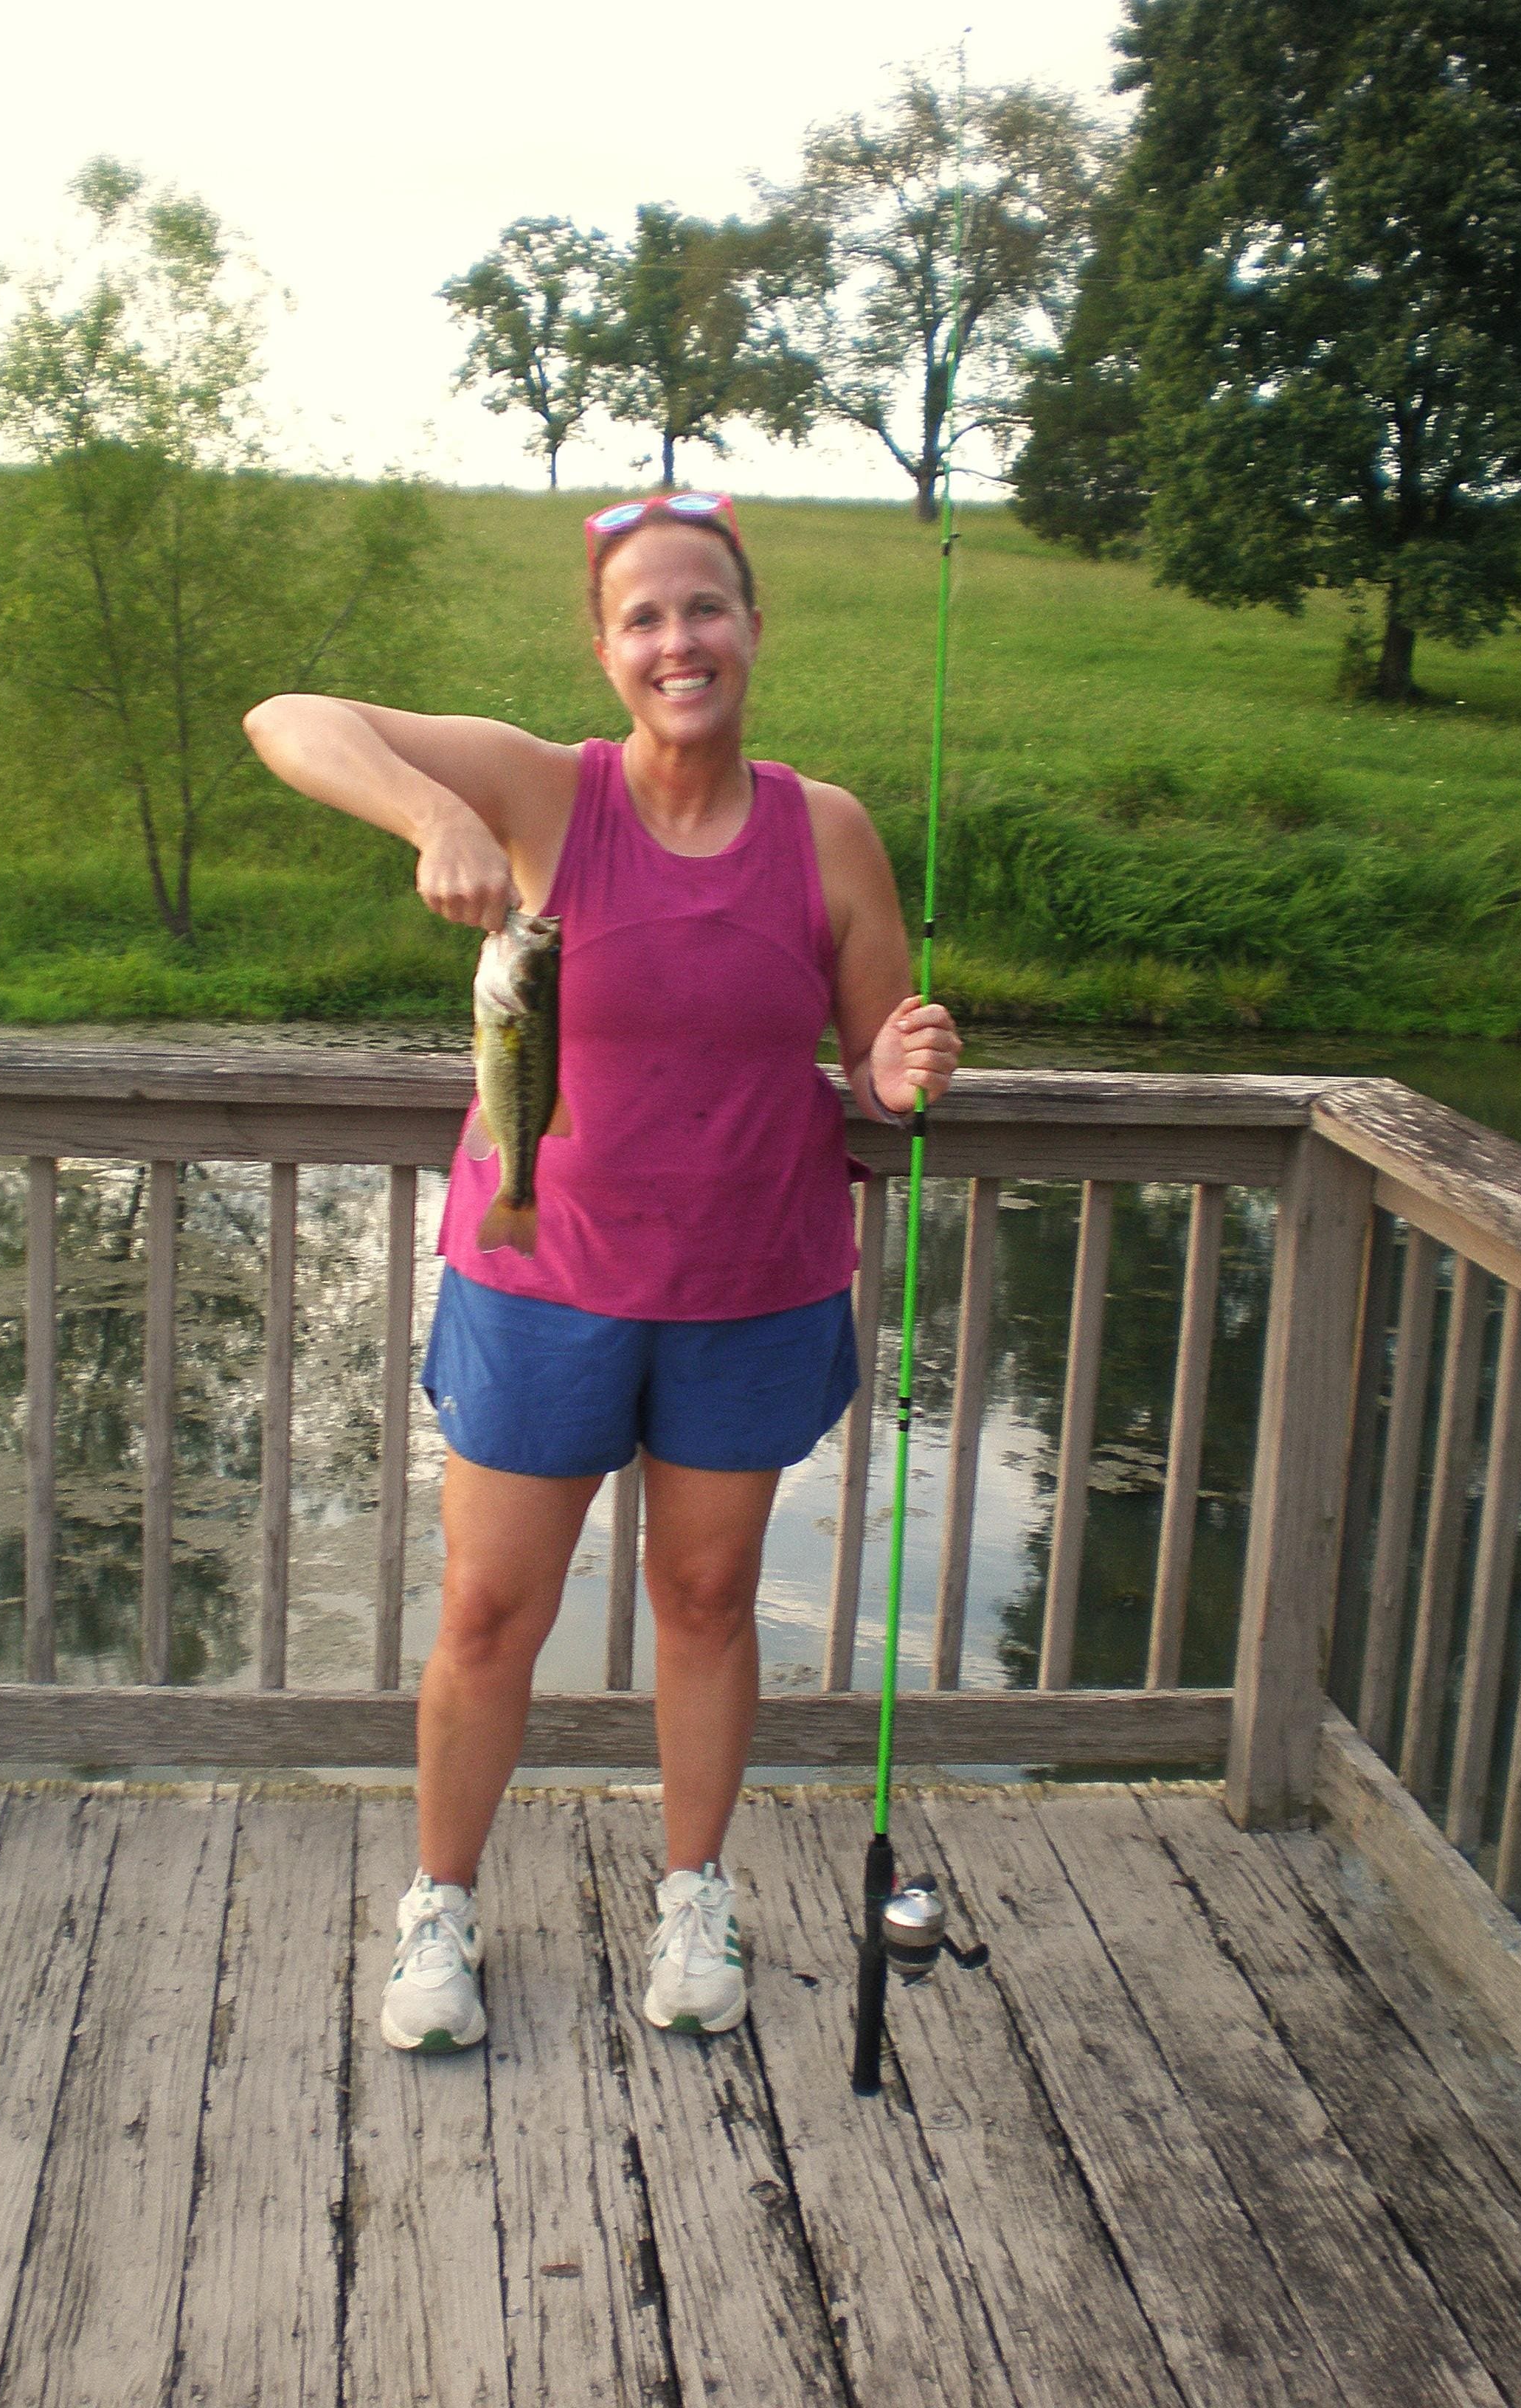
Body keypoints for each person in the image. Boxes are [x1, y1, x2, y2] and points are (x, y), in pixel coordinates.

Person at [243, 491, 960, 2052]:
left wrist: (909, 1068)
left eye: (704, 608)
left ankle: (693, 1897)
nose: (677, 641)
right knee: (492, 1610)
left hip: (754, 1282)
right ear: (606, 648)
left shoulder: (825, 829)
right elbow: (288, 714)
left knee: (706, 1602)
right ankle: (440, 1908)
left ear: (753, 629)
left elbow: (874, 1071)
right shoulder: (544, 792)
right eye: (643, 617)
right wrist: (432, 815)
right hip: (539, 1275)